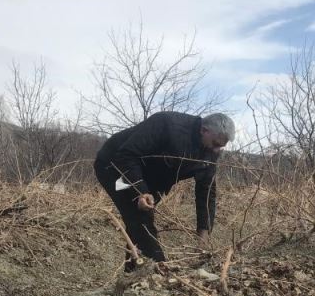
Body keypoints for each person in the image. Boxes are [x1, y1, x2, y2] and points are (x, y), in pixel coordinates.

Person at [94, 112, 235, 272]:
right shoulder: (167, 124)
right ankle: (158, 272)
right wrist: (140, 190)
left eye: (221, 146)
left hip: (153, 179)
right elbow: (127, 155)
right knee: (140, 217)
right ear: (204, 130)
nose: (217, 150)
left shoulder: (210, 153)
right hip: (115, 166)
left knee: (140, 222)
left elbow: (207, 192)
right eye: (216, 144)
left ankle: (133, 273)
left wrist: (203, 234)